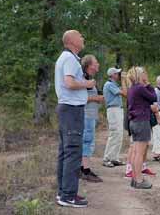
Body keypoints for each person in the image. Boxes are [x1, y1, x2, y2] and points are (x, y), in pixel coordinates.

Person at [55, 30, 95, 208]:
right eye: (80, 36)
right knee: (72, 152)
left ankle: (63, 192)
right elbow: (70, 83)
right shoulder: (70, 59)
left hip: (66, 109)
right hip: (71, 109)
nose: (83, 38)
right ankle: (68, 196)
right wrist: (87, 84)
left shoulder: (67, 58)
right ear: (71, 41)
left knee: (65, 152)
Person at [126, 66, 159, 189]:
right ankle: (139, 179)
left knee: (135, 151)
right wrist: (149, 85)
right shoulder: (140, 88)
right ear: (140, 75)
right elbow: (153, 97)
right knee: (140, 153)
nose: (146, 74)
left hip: (134, 121)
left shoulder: (131, 89)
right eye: (144, 73)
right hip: (141, 121)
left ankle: (135, 178)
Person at [80, 55, 104, 182]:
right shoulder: (84, 79)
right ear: (89, 65)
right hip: (86, 115)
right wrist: (96, 98)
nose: (98, 64)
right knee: (87, 141)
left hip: (90, 115)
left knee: (88, 141)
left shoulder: (89, 79)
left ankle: (82, 167)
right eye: (96, 62)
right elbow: (80, 98)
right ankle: (85, 170)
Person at [102, 67, 127, 168]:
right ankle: (107, 158)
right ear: (112, 75)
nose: (119, 75)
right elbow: (125, 93)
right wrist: (124, 81)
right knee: (114, 133)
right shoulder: (109, 85)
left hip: (118, 109)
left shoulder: (114, 85)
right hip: (113, 110)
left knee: (119, 134)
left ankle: (114, 158)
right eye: (117, 73)